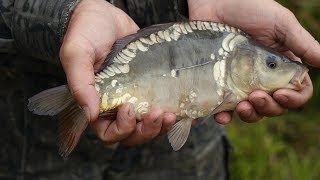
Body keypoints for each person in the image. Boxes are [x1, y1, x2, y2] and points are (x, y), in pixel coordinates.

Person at [0, 0, 318, 179]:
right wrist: (71, 14)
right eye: (272, 65)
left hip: (187, 161)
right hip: (29, 147)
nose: (282, 70)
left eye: (270, 65)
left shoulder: (234, 44)